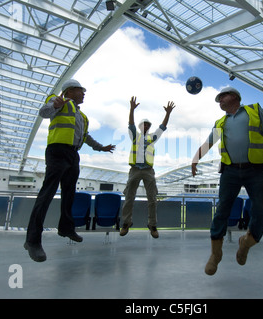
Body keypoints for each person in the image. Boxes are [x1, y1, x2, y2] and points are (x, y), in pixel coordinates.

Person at [191, 86, 263, 275]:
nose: (219, 101)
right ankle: (216, 254)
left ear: (234, 96)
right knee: (222, 209)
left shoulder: (255, 110)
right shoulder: (221, 122)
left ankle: (247, 242)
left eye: (221, 97)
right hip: (230, 171)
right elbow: (208, 142)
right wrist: (195, 158)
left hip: (255, 170)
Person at [24, 79, 115, 262]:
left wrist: (101, 148)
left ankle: (66, 228)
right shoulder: (59, 101)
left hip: (73, 155)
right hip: (57, 151)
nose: (83, 94)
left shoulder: (82, 117)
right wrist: (55, 104)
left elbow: (86, 137)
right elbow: (45, 111)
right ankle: (32, 241)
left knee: (69, 194)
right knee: (47, 194)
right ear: (70, 91)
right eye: (81, 90)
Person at [120, 96, 175, 238]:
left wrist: (167, 114)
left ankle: (152, 225)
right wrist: (131, 110)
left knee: (152, 199)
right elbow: (130, 123)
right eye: (143, 124)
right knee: (129, 198)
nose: (146, 126)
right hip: (135, 170)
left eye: (147, 125)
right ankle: (126, 223)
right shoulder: (134, 136)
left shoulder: (152, 138)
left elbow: (162, 127)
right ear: (140, 127)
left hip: (148, 171)